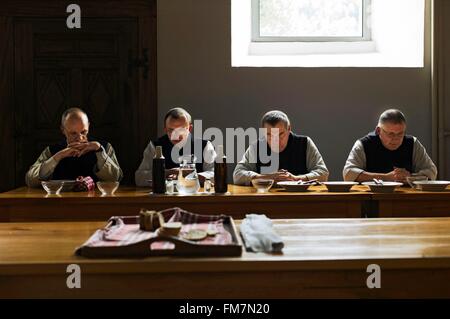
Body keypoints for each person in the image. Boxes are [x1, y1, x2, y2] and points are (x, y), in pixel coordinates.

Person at [26, 108, 123, 187]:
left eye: (83, 132)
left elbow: (116, 179)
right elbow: (30, 180)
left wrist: (99, 151)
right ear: (63, 130)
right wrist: (58, 156)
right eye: (73, 133)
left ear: (88, 126)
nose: (80, 138)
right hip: (60, 203)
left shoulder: (104, 147)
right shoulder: (52, 150)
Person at [233, 110, 329, 185]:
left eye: (280, 134)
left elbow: (323, 173)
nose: (275, 140)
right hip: (265, 200)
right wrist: (265, 177)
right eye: (269, 134)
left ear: (289, 129)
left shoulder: (305, 143)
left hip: (300, 200)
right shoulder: (256, 146)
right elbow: (237, 175)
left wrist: (296, 178)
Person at [343, 109, 437, 182]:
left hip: (407, 198)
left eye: (400, 133)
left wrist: (410, 177)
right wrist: (386, 177)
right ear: (378, 131)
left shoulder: (412, 143)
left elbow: (431, 171)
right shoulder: (364, 144)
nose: (395, 138)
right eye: (390, 134)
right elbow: (348, 173)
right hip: (372, 199)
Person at [135, 107, 216, 187]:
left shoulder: (205, 146)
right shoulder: (155, 146)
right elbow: (139, 178)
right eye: (171, 130)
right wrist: (167, 173)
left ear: (190, 128)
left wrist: (184, 175)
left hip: (196, 197)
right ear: (165, 129)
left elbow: (216, 175)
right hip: (164, 198)